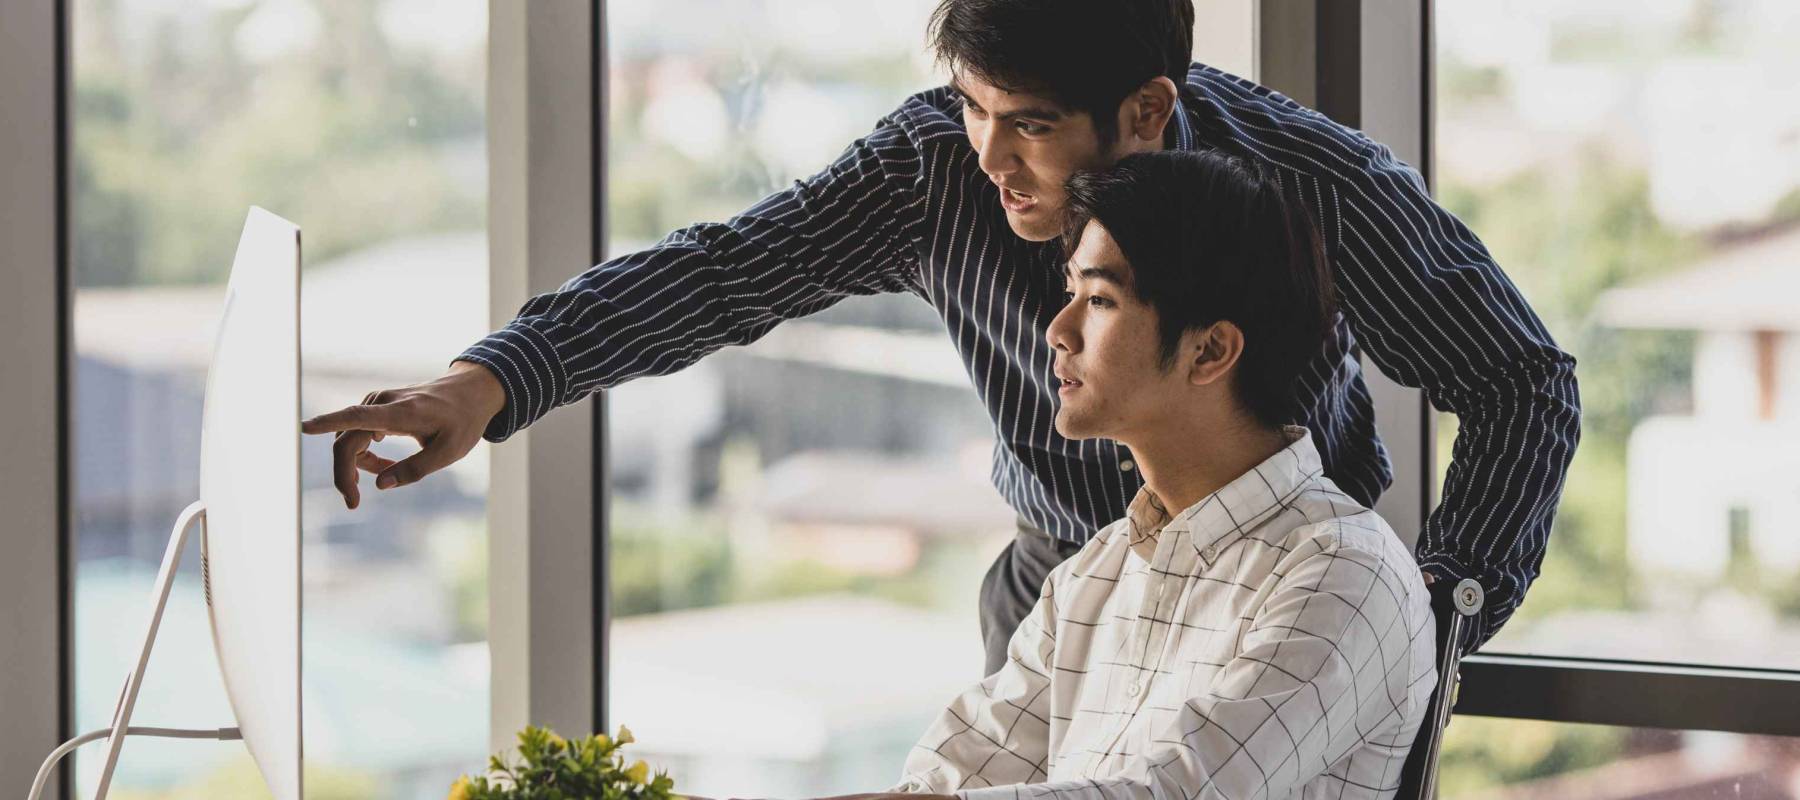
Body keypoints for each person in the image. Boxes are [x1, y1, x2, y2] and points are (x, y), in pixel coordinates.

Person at [301, 0, 1579, 672]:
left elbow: (1521, 380)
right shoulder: (934, 168)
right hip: (1055, 594)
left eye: (1025, 121)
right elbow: (725, 272)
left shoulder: (1315, 185)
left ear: (1143, 109)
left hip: (1292, 602)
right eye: (971, 107)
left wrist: (1431, 615)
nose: (990, 157)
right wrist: (491, 381)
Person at [884, 149, 1435, 800]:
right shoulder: (1095, 574)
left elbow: (1169, 795)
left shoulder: (1346, 574)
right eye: (1070, 294)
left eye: (1100, 299)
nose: (1058, 330)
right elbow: (941, 783)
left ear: (1209, 350)